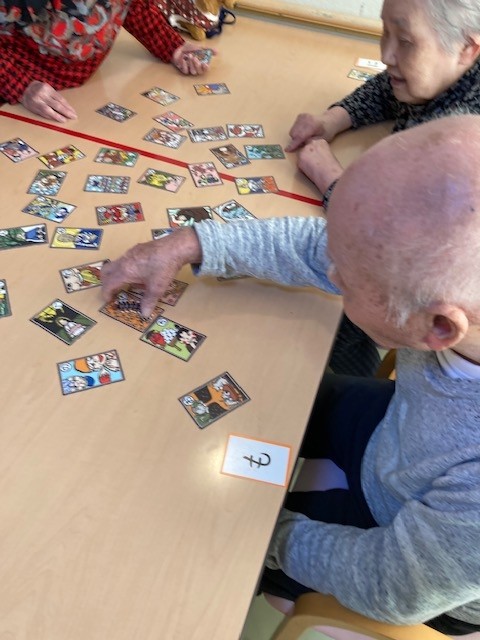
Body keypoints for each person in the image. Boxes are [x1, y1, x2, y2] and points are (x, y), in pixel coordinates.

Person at [101, 114, 480, 634]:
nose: (329, 271)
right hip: (397, 434)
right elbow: (320, 245)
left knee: (185, 533)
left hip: (402, 552)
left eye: (346, 280)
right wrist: (189, 243)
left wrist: (270, 535)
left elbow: (393, 586)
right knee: (255, 399)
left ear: (438, 327)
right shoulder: (452, 290)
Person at [289, 0, 480, 377]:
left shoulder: (461, 145)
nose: (386, 55)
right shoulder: (443, 73)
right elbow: (387, 88)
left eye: (405, 41)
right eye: (384, 32)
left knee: (329, 316)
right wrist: (331, 120)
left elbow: (386, 238)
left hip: (414, 313)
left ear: (466, 49)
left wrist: (329, 177)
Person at [0, 0, 215, 123]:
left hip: (87, 95)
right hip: (24, 95)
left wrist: (172, 46)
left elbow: (132, 5)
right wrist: (19, 84)